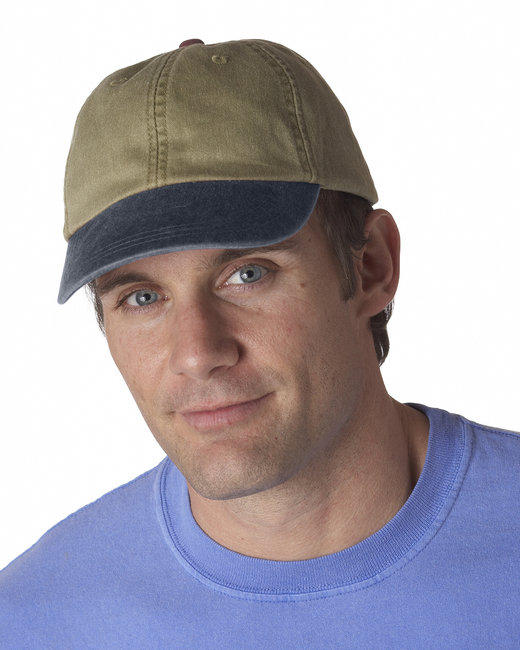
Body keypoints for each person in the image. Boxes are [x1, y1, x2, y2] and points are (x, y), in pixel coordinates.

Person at [1, 38, 518, 648]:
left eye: (248, 274)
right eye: (142, 297)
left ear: (372, 266)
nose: (197, 353)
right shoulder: (34, 619)